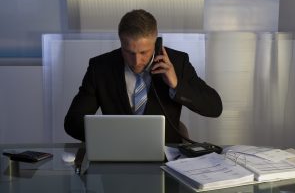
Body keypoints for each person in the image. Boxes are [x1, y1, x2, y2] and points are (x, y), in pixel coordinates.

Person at [64, 9, 222, 143]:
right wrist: (110, 137)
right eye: (129, 52)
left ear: (156, 42)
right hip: (117, 158)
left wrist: (176, 85)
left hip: (166, 159)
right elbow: (72, 122)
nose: (136, 61)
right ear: (120, 42)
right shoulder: (100, 67)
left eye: (144, 52)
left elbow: (214, 107)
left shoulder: (178, 62)